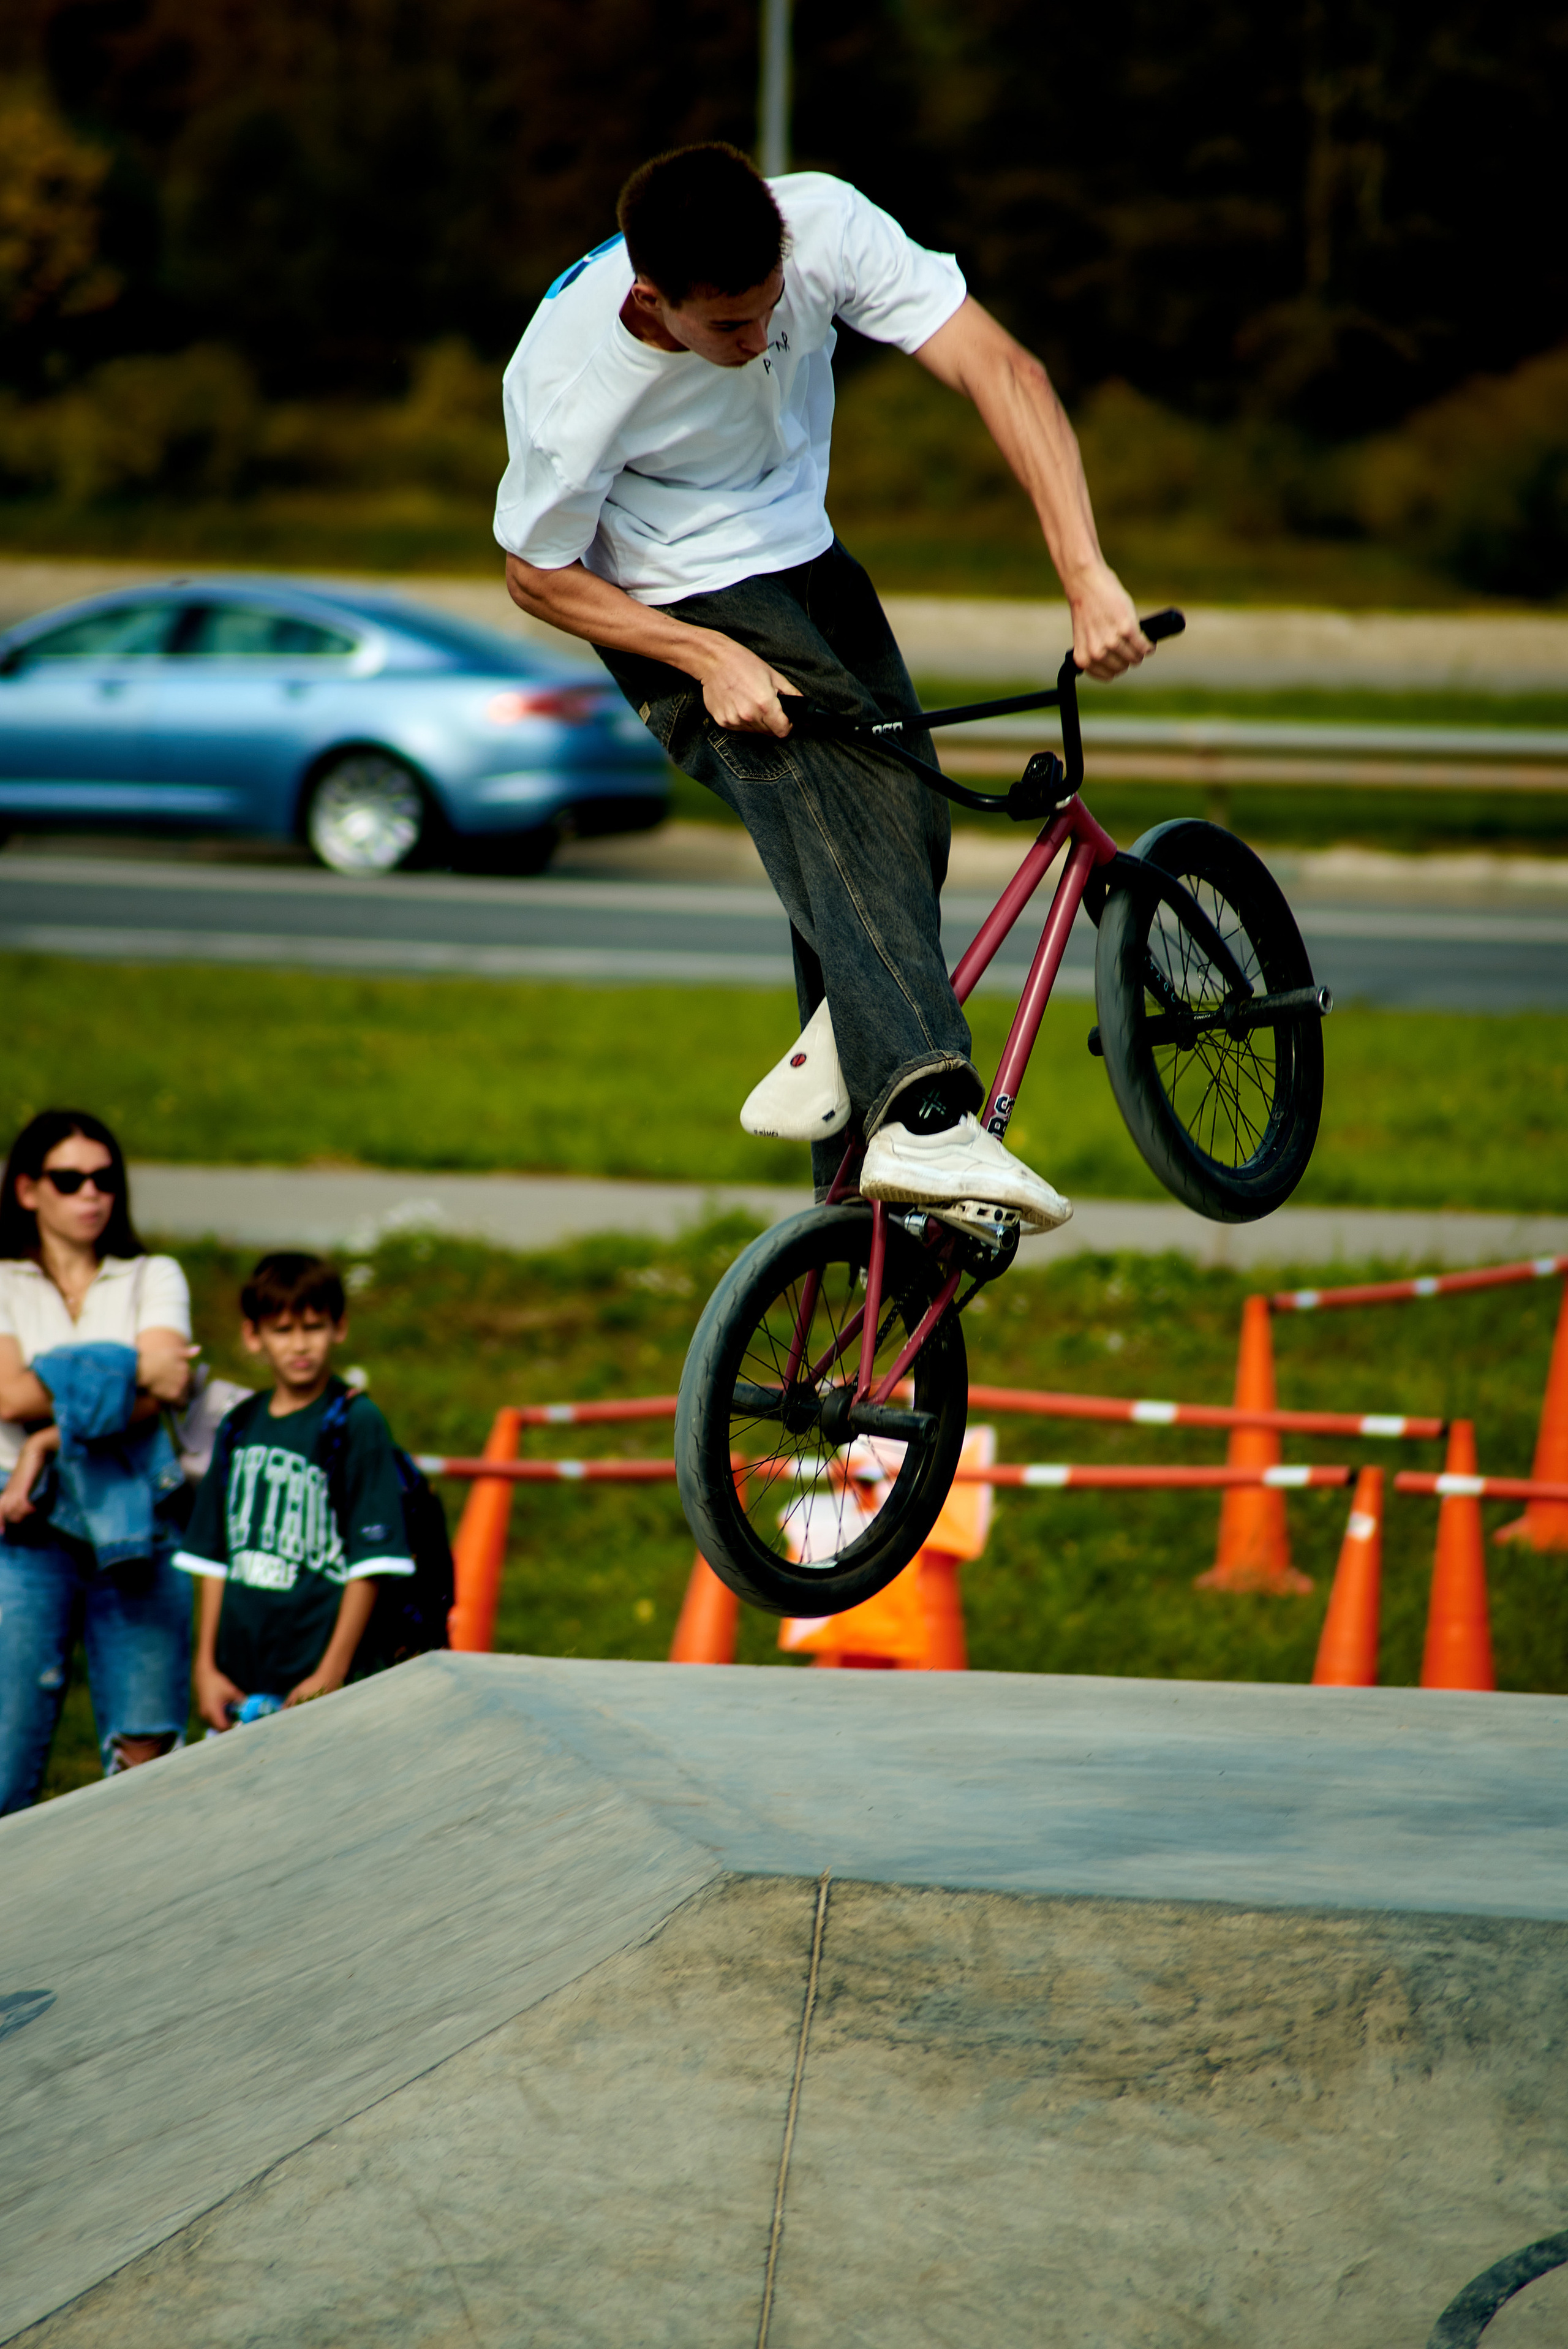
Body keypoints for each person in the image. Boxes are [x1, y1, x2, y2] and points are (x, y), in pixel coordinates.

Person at [495, 142, 1155, 1229]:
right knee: (840, 803)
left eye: (770, 311)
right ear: (651, 300)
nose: (761, 341)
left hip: (806, 551)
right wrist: (706, 657)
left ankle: (853, 1156)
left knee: (907, 832)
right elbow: (535, 573)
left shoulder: (826, 228)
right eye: (728, 328)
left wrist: (1086, 575)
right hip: (673, 594)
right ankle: (926, 1115)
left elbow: (1006, 371)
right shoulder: (571, 383)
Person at [0, 1110, 197, 1814]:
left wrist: (48, 1433)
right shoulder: (4, 1281)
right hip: (25, 1524)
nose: (91, 1193)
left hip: (138, 1509)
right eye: (69, 1179)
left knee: (150, 1764)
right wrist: (130, 1369)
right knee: (8, 1755)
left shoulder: (153, 1273)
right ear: (27, 1190)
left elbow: (171, 1387)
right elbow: (6, 1393)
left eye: (105, 1179)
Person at [176, 1252, 413, 1730]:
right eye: (283, 1331)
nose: (300, 1345)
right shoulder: (240, 1424)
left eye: (314, 1327)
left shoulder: (356, 1421)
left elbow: (371, 1564)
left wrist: (332, 1673)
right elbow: (213, 1561)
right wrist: (206, 1668)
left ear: (339, 1327)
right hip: (237, 1687)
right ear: (253, 1336)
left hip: (319, 1686)